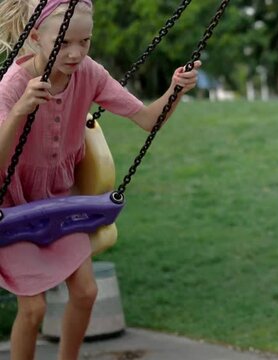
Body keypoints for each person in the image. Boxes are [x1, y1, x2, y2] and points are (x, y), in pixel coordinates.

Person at [0, 1, 201, 359]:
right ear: (35, 35)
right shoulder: (14, 85)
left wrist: (175, 89)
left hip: (61, 199)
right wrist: (19, 111)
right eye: (63, 43)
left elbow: (146, 119)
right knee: (33, 310)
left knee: (86, 292)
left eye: (85, 42)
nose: (75, 53)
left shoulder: (89, 74)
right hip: (13, 205)